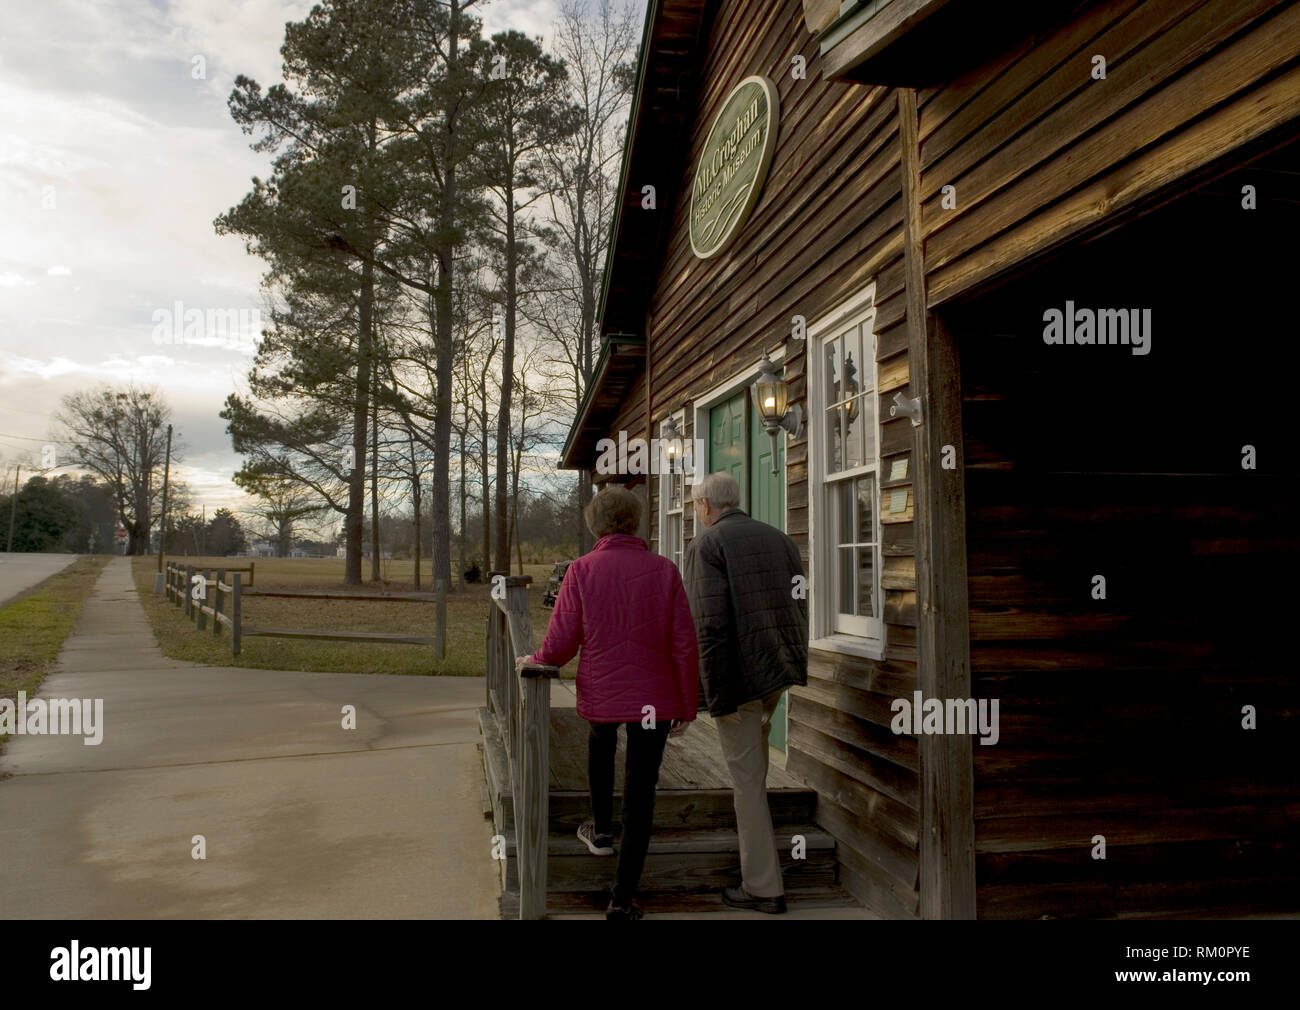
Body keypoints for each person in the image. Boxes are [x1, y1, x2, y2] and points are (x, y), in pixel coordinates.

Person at [517, 484, 698, 920]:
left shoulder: (581, 570)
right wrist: (686, 704)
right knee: (642, 792)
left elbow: (561, 642)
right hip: (655, 700)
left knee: (600, 744)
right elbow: (684, 645)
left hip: (604, 691)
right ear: (634, 522)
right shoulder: (664, 571)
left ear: (596, 524)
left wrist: (536, 659)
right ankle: (622, 897)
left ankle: (600, 831)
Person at [682, 471, 808, 915]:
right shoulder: (781, 539)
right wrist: (790, 666)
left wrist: (716, 695)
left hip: (739, 680)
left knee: (747, 783)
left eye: (695, 506)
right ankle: (765, 873)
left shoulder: (707, 546)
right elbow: (798, 607)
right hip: (775, 673)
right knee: (753, 772)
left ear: (704, 506)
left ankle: (763, 887)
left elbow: (708, 627)